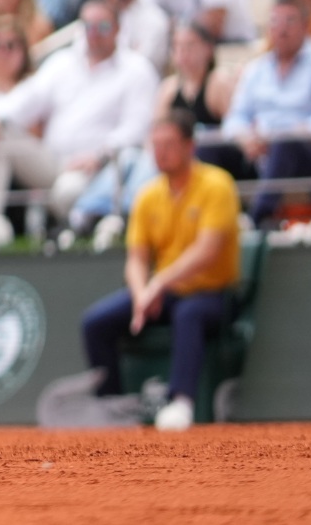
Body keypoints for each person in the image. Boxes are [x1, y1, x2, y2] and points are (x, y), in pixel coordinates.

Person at [79, 111, 242, 432]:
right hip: (163, 294)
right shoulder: (147, 194)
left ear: (189, 146)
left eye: (168, 144)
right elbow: (137, 258)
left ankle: (180, 402)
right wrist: (142, 295)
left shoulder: (217, 185)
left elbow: (207, 252)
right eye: (155, 145)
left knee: (189, 314)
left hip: (214, 294)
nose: (161, 152)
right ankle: (113, 406)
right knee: (96, 322)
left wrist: (158, 284)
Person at [0, 0, 160, 228]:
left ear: (118, 29)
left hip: (100, 168)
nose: (94, 33)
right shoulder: (62, 63)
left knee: (67, 192)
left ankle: (70, 240)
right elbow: (28, 99)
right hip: (52, 162)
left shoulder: (137, 70)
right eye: (88, 26)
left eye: (103, 26)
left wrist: (99, 155)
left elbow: (136, 128)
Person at [224, 0, 311, 222]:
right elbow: (235, 118)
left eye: (290, 21)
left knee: (285, 143)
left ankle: (257, 221)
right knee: (209, 148)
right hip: (261, 154)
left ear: (307, 26)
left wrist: (293, 133)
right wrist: (246, 139)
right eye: (275, 22)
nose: (282, 29)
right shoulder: (256, 69)